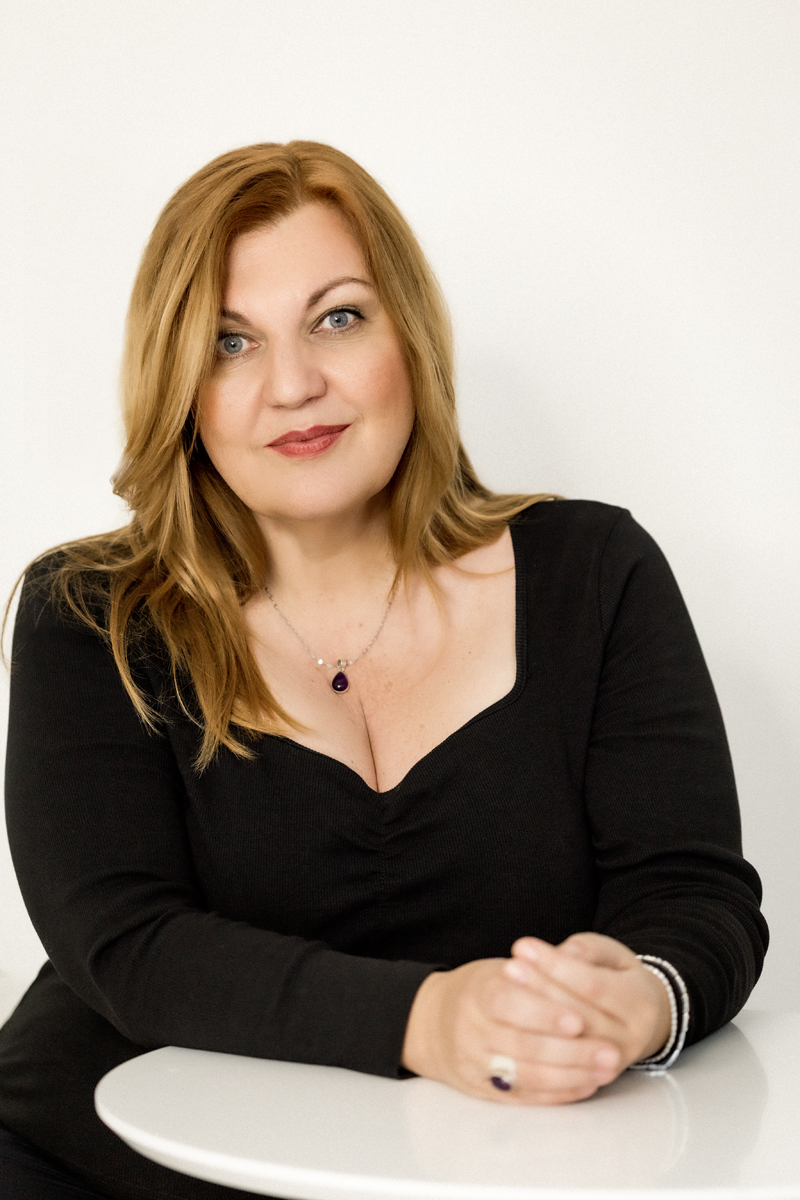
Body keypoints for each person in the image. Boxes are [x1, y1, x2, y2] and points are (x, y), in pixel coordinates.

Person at [0, 141, 767, 1200]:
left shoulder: (592, 573)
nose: (293, 385)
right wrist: (427, 1018)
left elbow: (691, 895)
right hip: (99, 1166)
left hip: (470, 1176)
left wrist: (643, 996)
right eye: (229, 342)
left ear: (408, 332)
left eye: (338, 318)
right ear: (179, 384)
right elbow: (128, 943)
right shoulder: (91, 612)